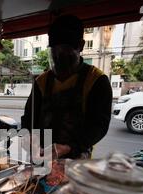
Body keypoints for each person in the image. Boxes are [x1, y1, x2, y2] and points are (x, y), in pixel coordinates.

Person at [21, 15, 112, 160]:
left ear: (80, 46)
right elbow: (28, 118)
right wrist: (27, 135)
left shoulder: (97, 81)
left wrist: (68, 147)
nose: (59, 58)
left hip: (76, 159)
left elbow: (98, 126)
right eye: (55, 53)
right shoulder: (41, 82)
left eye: (66, 51)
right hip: (41, 155)